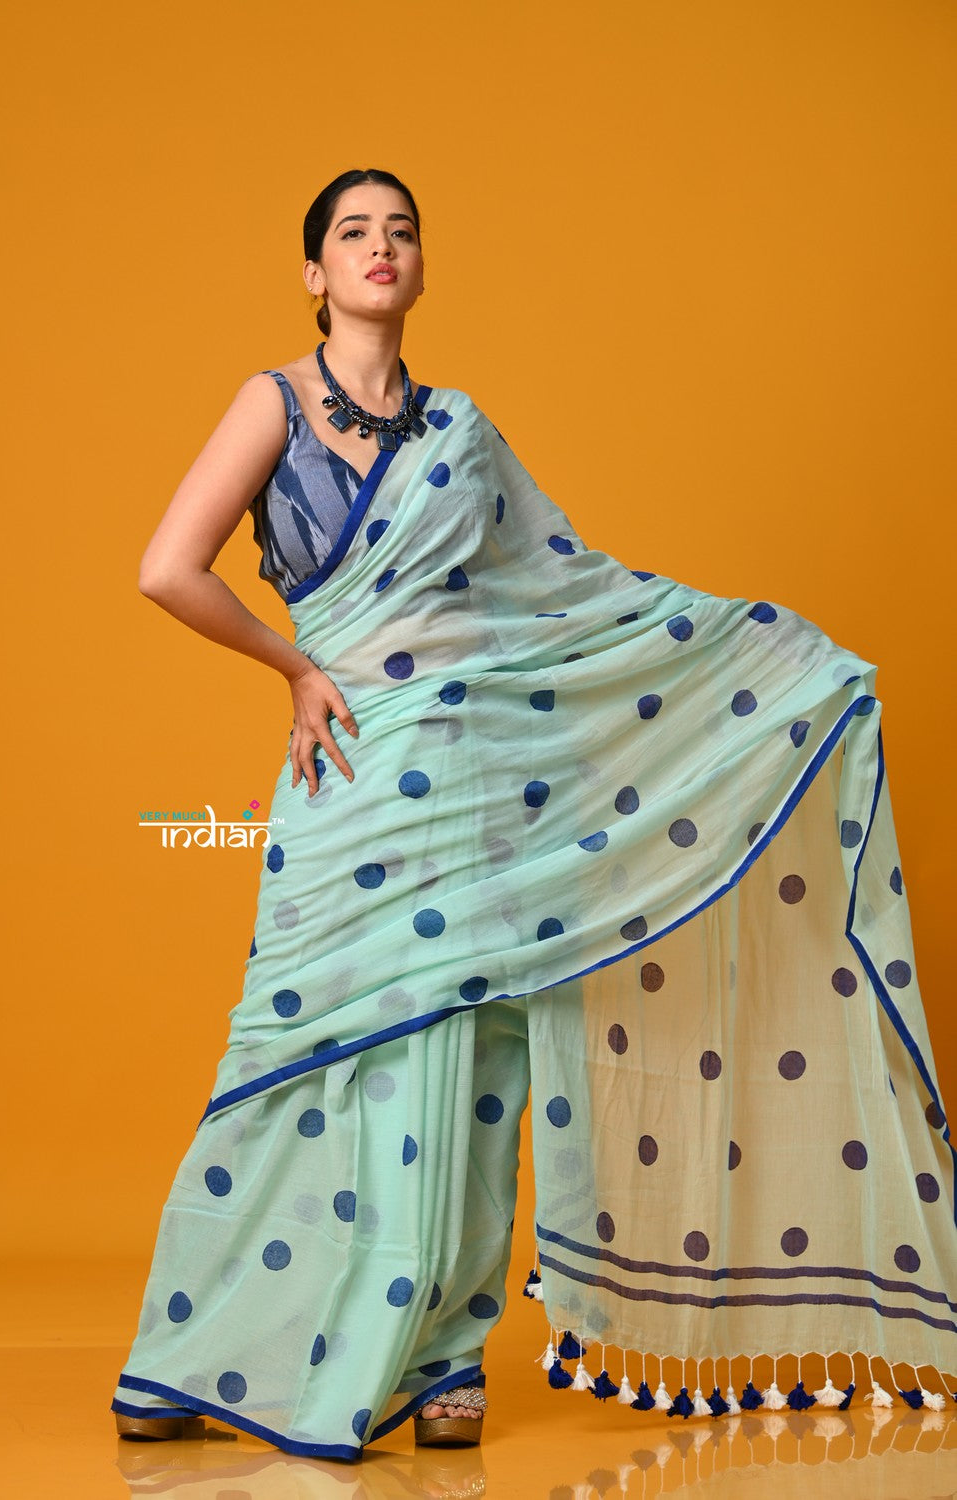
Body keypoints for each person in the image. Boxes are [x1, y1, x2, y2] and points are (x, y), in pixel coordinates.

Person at [112, 168, 955, 1462]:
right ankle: (198, 1352)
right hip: (353, 780)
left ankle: (444, 1364)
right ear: (313, 273)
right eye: (353, 233)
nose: (380, 248)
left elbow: (573, 600)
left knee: (483, 1058)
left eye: (401, 231)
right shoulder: (270, 402)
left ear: (421, 264)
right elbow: (168, 569)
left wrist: (763, 659)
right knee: (296, 1055)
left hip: (486, 786)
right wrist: (295, 667)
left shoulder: (463, 431)